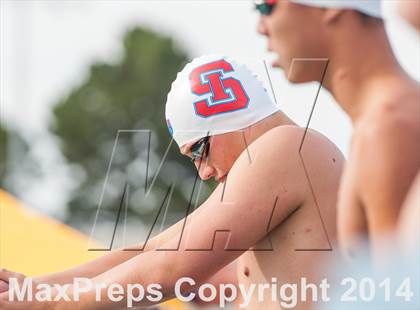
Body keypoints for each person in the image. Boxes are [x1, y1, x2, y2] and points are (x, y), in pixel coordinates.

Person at [0, 55, 344, 309]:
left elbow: (168, 271)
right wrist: (32, 286)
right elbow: (154, 250)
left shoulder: (285, 148)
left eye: (200, 150)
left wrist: (42, 303)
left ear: (232, 116)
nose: (204, 172)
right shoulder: (291, 157)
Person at [255, 0, 420, 263]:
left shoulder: (390, 129)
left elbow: (399, 296)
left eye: (266, 7)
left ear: (331, 8)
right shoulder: (378, 126)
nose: (260, 28)